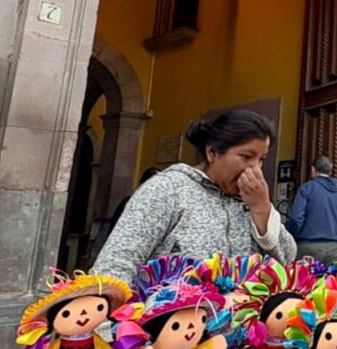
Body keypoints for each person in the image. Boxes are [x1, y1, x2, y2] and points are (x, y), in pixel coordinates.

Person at [92, 110, 295, 281]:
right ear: (212, 153)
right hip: (174, 325)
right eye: (246, 157)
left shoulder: (251, 202)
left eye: (261, 159)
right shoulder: (168, 189)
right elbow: (116, 264)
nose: (256, 169)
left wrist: (262, 210)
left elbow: (288, 263)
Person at [286, 156, 337, 264]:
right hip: (333, 246)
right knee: (328, 280)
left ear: (312, 169)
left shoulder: (307, 189)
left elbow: (296, 219)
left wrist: (291, 236)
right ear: (330, 171)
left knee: (304, 279)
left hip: (307, 244)